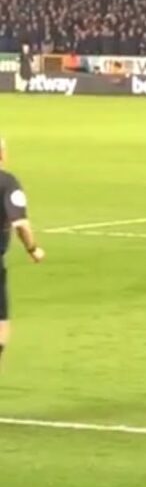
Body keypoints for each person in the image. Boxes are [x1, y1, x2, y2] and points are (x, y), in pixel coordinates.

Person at [0, 138, 45, 368]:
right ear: (2, 154)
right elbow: (20, 224)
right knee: (1, 321)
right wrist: (33, 248)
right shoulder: (7, 182)